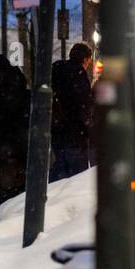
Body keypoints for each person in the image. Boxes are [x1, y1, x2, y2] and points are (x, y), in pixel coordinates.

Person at [0, 54, 30, 203]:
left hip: (2, 148)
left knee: (6, 193)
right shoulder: (17, 85)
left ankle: (8, 220)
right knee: (19, 192)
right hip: (18, 147)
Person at [50, 42, 94, 180]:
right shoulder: (79, 75)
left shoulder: (56, 70)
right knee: (76, 177)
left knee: (59, 172)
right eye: (89, 60)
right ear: (85, 59)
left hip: (56, 131)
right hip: (75, 134)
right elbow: (83, 106)